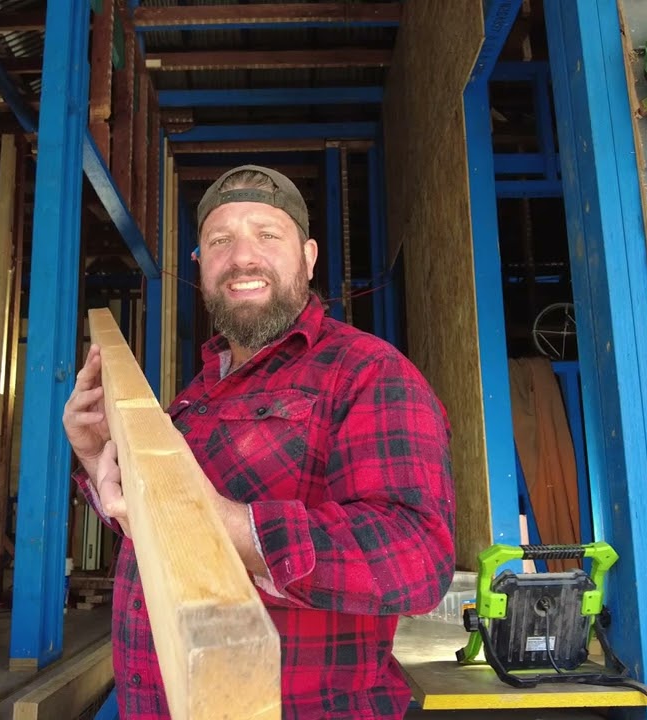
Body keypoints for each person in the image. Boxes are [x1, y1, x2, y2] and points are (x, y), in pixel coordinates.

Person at [62, 164, 457, 719]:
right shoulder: (196, 394)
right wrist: (97, 451)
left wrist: (223, 523)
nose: (242, 257)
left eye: (267, 235)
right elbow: (155, 528)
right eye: (220, 241)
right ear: (200, 266)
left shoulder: (368, 373)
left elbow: (414, 556)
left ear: (309, 256)